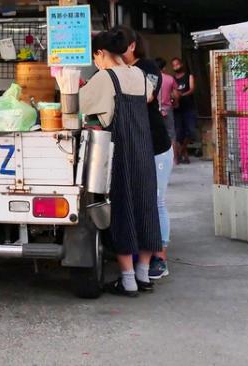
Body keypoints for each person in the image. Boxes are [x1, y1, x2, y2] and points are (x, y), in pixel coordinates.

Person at [80, 28, 162, 297]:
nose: (96, 62)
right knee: (146, 208)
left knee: (123, 208)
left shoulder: (105, 76)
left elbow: (80, 105)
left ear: (102, 53)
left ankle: (127, 280)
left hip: (120, 153)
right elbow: (149, 97)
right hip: (143, 150)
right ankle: (144, 274)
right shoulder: (138, 73)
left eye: (96, 57)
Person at [121, 31, 174, 280]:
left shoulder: (147, 67)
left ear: (132, 45)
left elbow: (148, 96)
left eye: (119, 46)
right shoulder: (118, 69)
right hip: (137, 147)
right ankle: (142, 251)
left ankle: (160, 258)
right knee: (140, 201)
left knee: (156, 200)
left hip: (157, 147)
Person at [172, 57, 196, 164]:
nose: (175, 66)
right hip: (177, 108)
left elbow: (192, 89)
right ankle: (184, 153)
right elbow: (171, 91)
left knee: (191, 131)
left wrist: (182, 95)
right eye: (173, 65)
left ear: (181, 64)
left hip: (189, 107)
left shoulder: (189, 76)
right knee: (179, 133)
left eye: (177, 64)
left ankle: (181, 151)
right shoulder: (173, 79)